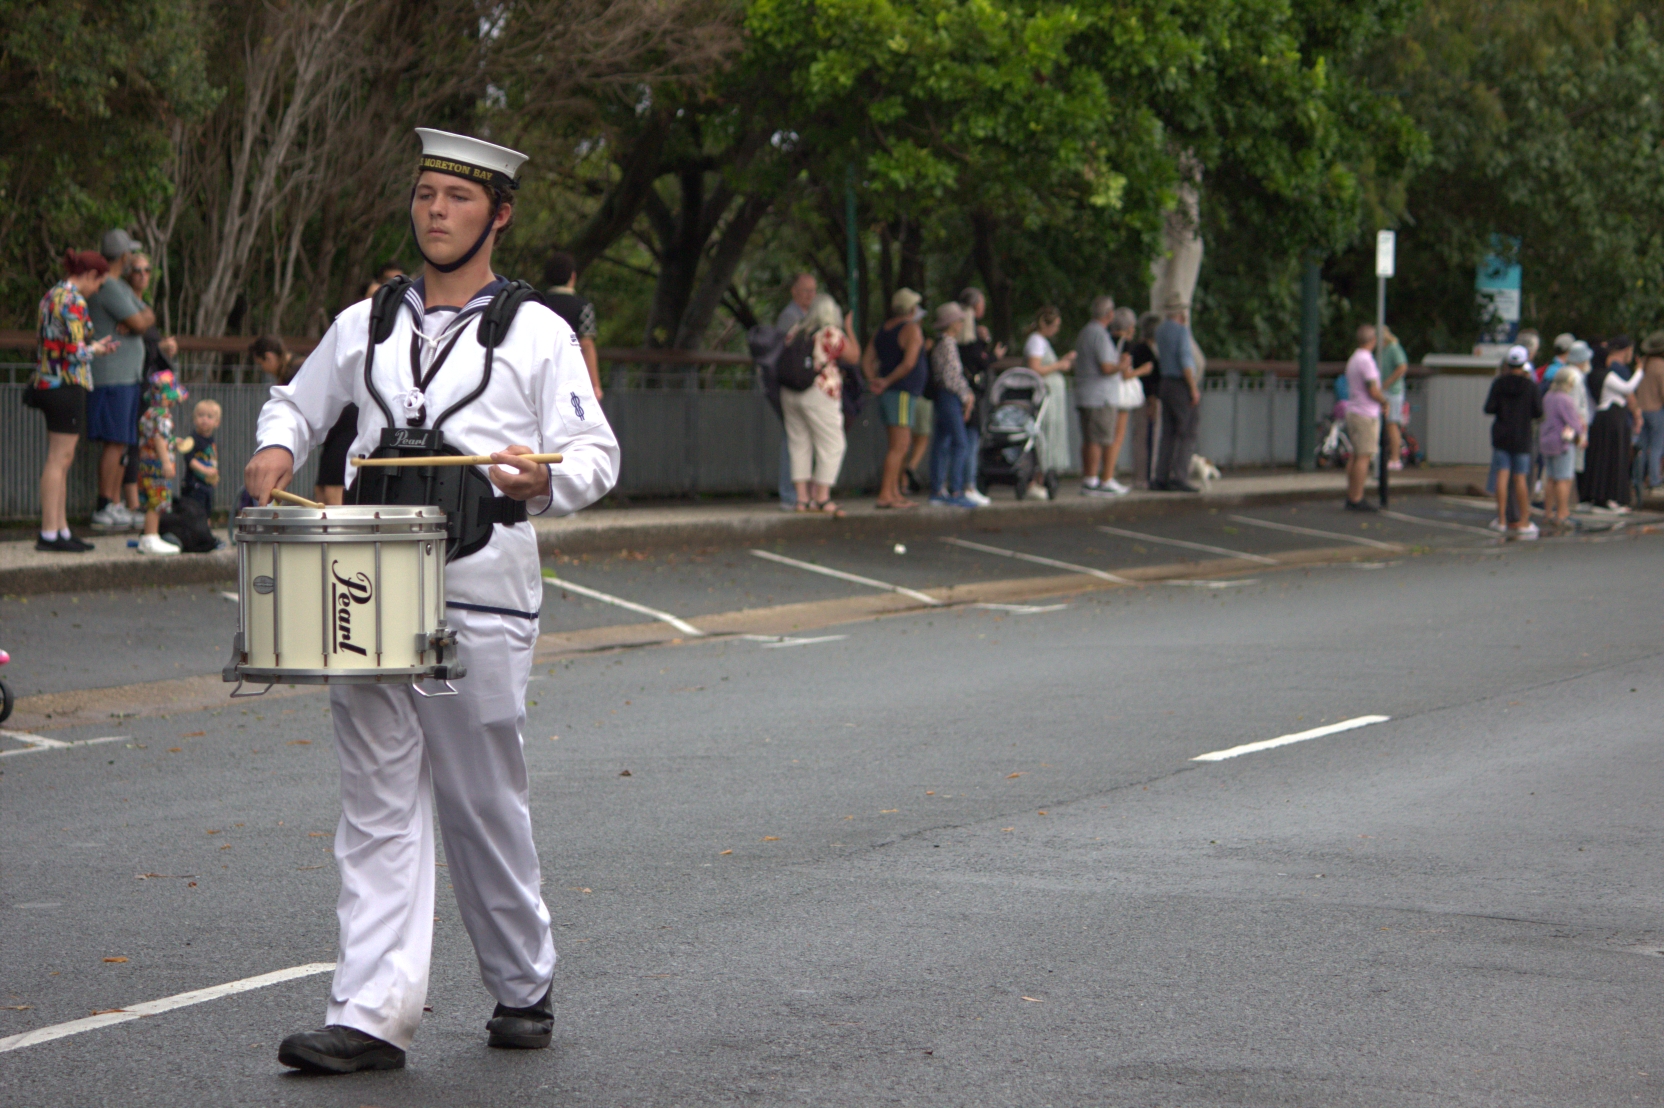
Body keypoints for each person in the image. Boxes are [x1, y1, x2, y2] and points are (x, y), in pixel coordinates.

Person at [245, 127, 619, 1074]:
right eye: (425, 194)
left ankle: (522, 980)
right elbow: (298, 400)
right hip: (367, 584)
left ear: (498, 215)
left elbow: (596, 454)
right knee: (375, 803)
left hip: (480, 594)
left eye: (457, 197)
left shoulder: (540, 332)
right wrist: (278, 445)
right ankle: (370, 1014)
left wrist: (543, 479)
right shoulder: (365, 321)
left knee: (479, 799)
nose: (436, 211)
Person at [29, 250, 118, 552]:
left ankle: (60, 529)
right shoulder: (74, 300)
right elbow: (75, 351)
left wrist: (90, 346)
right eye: (99, 283)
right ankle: (49, 533)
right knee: (58, 460)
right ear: (91, 275)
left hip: (49, 380)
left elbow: (59, 341)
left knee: (62, 460)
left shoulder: (51, 294)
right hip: (65, 384)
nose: (97, 290)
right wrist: (98, 350)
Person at [86, 229, 154, 531]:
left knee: (122, 443)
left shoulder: (120, 287)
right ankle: (104, 505)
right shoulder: (110, 286)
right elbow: (141, 321)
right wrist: (138, 319)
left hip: (126, 377)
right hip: (112, 378)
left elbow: (147, 316)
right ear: (125, 257)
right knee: (114, 443)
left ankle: (114, 504)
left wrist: (140, 318)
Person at [780, 293, 858, 516]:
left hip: (791, 392)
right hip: (819, 392)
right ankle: (822, 497)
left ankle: (801, 500)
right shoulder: (829, 332)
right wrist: (849, 328)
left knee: (799, 443)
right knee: (833, 444)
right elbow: (853, 356)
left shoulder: (795, 331)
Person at [124, 252, 177, 515]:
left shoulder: (142, 304)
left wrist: (163, 347)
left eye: (147, 270)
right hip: (134, 383)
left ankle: (143, 507)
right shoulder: (125, 304)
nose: (143, 275)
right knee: (133, 442)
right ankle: (131, 502)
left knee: (144, 442)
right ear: (127, 273)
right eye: (137, 270)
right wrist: (158, 345)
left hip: (149, 386)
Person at [863, 288, 925, 509]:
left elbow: (867, 359)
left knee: (900, 444)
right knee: (899, 445)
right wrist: (887, 381)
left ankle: (895, 491)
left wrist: (875, 381)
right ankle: (886, 494)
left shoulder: (882, 330)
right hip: (901, 393)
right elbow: (909, 363)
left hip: (891, 393)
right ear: (911, 308)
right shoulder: (910, 329)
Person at [1482, 344, 1543, 538]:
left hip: (1501, 435)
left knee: (1502, 475)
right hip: (1522, 436)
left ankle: (1501, 520)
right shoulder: (1530, 386)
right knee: (1521, 478)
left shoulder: (1499, 384)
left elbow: (1489, 408)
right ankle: (1524, 521)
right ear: (1525, 363)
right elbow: (1538, 412)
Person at [773, 273, 819, 509]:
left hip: (800, 384)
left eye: (813, 291)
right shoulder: (790, 317)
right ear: (794, 291)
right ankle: (790, 493)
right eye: (805, 291)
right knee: (792, 440)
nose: (810, 296)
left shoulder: (806, 315)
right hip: (792, 384)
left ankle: (799, 494)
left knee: (800, 440)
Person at [1581, 335, 1641, 510]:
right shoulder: (1606, 376)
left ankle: (1596, 495)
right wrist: (1640, 371)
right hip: (1612, 417)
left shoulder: (1592, 375)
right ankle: (1610, 497)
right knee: (1614, 459)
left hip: (1603, 418)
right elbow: (1627, 388)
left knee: (1602, 459)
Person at [1022, 305, 1076, 499]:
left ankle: (1040, 478)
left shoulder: (1041, 341)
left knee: (1048, 438)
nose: (1057, 330)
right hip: (1045, 400)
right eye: (1055, 325)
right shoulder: (1036, 341)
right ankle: (1034, 480)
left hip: (1052, 400)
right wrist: (1060, 365)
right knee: (1043, 438)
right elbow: (1035, 368)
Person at [927, 302, 977, 507]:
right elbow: (951, 377)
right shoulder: (948, 345)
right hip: (950, 396)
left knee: (941, 441)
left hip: (943, 396)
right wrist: (967, 396)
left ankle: (938, 488)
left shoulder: (942, 343)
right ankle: (956, 490)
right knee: (960, 442)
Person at [955, 288, 1002, 506]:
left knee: (960, 440)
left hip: (964, 392)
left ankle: (960, 485)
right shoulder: (966, 335)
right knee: (968, 441)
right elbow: (977, 359)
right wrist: (991, 354)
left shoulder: (964, 334)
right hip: (967, 393)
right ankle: (966, 485)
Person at [134, 370, 186, 555]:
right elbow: (158, 439)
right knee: (157, 503)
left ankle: (148, 537)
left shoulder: (148, 414)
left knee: (151, 502)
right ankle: (150, 537)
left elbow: (154, 439)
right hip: (157, 467)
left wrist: (173, 442)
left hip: (146, 465)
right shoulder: (163, 416)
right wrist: (166, 462)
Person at [1074, 296, 1120, 497]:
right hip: (1099, 396)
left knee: (1089, 438)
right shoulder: (1100, 335)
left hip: (1085, 393)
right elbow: (1106, 366)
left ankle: (1089, 479)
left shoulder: (1085, 332)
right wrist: (1122, 365)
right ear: (1109, 314)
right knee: (1097, 440)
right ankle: (1093, 481)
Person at [1153, 294, 1200, 492]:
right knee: (1187, 431)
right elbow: (1185, 361)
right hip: (1180, 384)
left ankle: (1160, 476)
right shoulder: (1181, 332)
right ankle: (1180, 475)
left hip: (1165, 382)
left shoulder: (1160, 330)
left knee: (1168, 432)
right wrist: (1193, 388)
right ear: (1181, 312)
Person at [542, 251, 603, 399]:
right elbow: (587, 344)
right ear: (573, 276)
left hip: (542, 374)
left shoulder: (537, 303)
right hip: (571, 377)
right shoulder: (583, 307)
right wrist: (595, 385)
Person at [1343, 324, 1386, 512]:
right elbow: (1372, 388)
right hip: (1365, 412)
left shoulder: (1354, 359)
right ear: (1373, 340)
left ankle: (1351, 493)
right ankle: (1356, 497)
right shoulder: (1366, 360)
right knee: (1364, 456)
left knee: (1355, 455)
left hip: (1354, 409)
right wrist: (1384, 402)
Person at [1539, 369, 1586, 532]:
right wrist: (1581, 430)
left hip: (1546, 441)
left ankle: (1548, 513)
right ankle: (1561, 513)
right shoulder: (1565, 399)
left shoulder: (1548, 396)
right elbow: (1573, 422)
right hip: (1561, 441)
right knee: (1564, 478)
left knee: (1551, 478)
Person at [1129, 312, 1162, 488]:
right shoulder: (1147, 352)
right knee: (1146, 439)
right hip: (1146, 399)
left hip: (1139, 398)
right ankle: (1145, 477)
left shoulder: (1137, 348)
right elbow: (1149, 380)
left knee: (1140, 438)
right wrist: (1152, 401)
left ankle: (1141, 476)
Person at [1632, 331, 1664, 493]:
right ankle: (1654, 479)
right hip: (1656, 409)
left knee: (1642, 447)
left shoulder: (1643, 363)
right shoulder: (1661, 366)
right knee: (1657, 446)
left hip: (1640, 408)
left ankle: (1637, 478)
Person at [179, 398, 221, 516]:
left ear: (217, 422)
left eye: (209, 416)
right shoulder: (192, 439)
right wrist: (205, 470)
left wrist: (214, 476)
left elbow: (212, 459)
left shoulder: (211, 440)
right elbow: (190, 460)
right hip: (194, 485)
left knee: (207, 512)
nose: (204, 419)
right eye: (201, 415)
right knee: (195, 513)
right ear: (194, 419)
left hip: (207, 485)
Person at [1379, 325, 1409, 471]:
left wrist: (1388, 382)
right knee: (1382, 424)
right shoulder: (1381, 350)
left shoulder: (1393, 348)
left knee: (1392, 424)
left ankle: (1395, 459)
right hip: (1383, 391)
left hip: (1393, 391)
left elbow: (1402, 367)